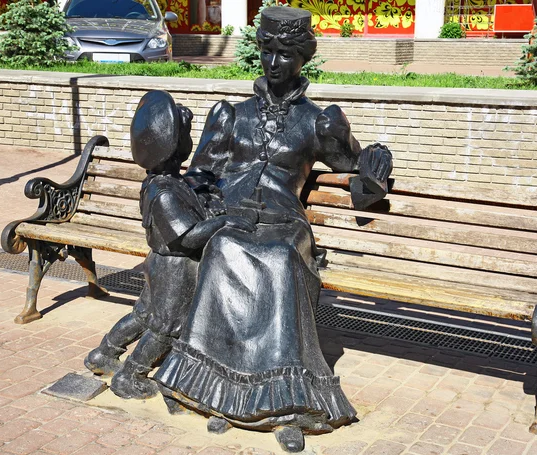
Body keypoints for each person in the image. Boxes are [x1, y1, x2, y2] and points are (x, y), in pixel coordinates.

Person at [154, 7, 392, 453]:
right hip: (234, 218)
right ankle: (219, 397)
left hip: (286, 225)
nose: (274, 63)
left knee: (280, 259)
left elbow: (360, 177)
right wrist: (199, 210)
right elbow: (201, 175)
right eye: (268, 52)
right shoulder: (231, 114)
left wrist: (376, 166)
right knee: (223, 247)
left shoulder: (319, 122)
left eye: (285, 54)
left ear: (303, 57)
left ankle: (287, 407)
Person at [84, 90, 254, 400]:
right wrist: (223, 223)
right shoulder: (164, 192)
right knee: (166, 325)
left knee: (144, 314)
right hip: (176, 266)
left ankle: (104, 353)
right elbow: (187, 237)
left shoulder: (167, 182)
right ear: (175, 150)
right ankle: (131, 374)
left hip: (159, 262)